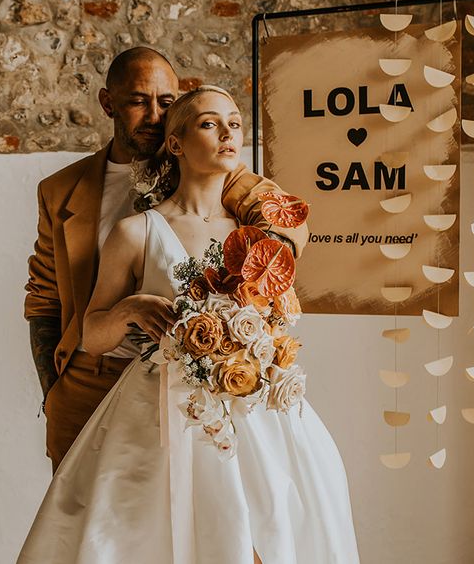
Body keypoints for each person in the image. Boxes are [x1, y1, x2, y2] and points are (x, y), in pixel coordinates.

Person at [18, 87, 359, 564]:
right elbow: (92, 335)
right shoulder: (136, 231)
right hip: (161, 413)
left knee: (272, 532)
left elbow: (281, 316)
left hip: (255, 410)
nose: (227, 134)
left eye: (235, 124)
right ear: (175, 144)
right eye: (208, 124)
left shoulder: (257, 235)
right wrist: (129, 310)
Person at [25, 48, 309, 471]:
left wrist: (247, 297)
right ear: (109, 104)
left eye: (167, 102)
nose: (156, 116)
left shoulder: (215, 171)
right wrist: (54, 389)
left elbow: (285, 221)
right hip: (91, 380)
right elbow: (44, 300)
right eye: (139, 101)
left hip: (182, 389)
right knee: (87, 527)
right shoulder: (61, 190)